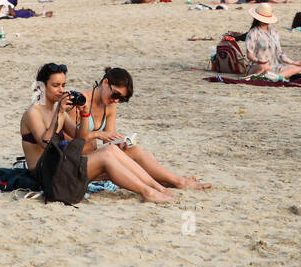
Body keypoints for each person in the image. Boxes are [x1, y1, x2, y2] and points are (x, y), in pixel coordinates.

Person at [19, 63, 176, 202]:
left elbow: (80, 137)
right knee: (107, 154)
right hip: (46, 176)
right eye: (56, 85)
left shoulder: (57, 110)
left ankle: (157, 188)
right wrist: (59, 114)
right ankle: (147, 191)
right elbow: (45, 143)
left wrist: (85, 113)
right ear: (41, 86)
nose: (61, 90)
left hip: (62, 168)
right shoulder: (33, 113)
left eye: (63, 85)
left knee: (111, 149)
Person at [79, 67, 210, 188]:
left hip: (97, 159)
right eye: (116, 95)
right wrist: (98, 134)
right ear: (105, 83)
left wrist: (119, 142)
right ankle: (179, 182)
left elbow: (108, 141)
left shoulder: (110, 105)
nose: (116, 100)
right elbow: (71, 141)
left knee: (139, 152)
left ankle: (176, 181)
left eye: (121, 99)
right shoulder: (80, 101)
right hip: (79, 164)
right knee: (136, 159)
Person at [243, 3, 301, 78]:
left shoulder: (274, 32)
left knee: (297, 68)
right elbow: (249, 55)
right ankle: (275, 76)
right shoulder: (253, 33)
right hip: (258, 65)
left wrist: (292, 62)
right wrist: (258, 60)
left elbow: (280, 53)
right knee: (264, 67)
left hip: (276, 66)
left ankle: (275, 77)